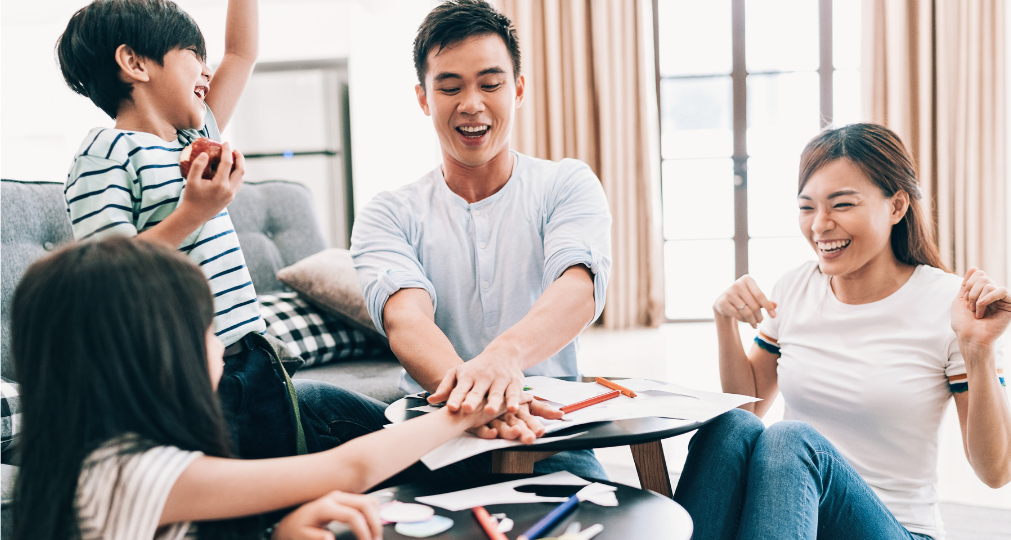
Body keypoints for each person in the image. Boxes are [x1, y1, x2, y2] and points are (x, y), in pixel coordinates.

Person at [11, 236, 511, 540]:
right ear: (152, 355)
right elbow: (349, 467)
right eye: (208, 330)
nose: (221, 346)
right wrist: (463, 410)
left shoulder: (97, 458)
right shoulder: (130, 473)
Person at [672, 123, 1011, 540]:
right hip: (793, 519)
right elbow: (748, 412)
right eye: (807, 207)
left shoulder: (948, 304)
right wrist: (724, 320)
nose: (820, 225)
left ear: (897, 206)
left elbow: (996, 472)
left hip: (898, 528)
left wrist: (978, 352)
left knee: (791, 439)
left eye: (842, 204)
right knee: (728, 427)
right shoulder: (795, 288)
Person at [350, 0, 612, 478]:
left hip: (542, 428)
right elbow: (406, 320)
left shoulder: (566, 184)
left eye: (490, 84)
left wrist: (503, 358)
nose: (471, 104)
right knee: (312, 403)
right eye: (450, 87)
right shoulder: (388, 212)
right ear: (424, 98)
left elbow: (578, 288)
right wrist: (478, 398)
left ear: (518, 89)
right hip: (431, 429)